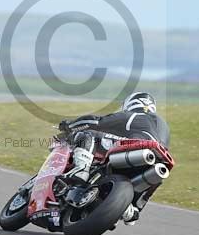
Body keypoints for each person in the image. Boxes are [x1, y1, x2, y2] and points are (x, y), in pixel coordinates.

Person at [58, 91, 170, 225]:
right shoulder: (162, 124)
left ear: (130, 103)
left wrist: (70, 125)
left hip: (135, 146)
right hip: (157, 159)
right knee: (157, 173)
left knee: (86, 135)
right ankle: (131, 208)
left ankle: (81, 170)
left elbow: (97, 122)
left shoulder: (135, 114)